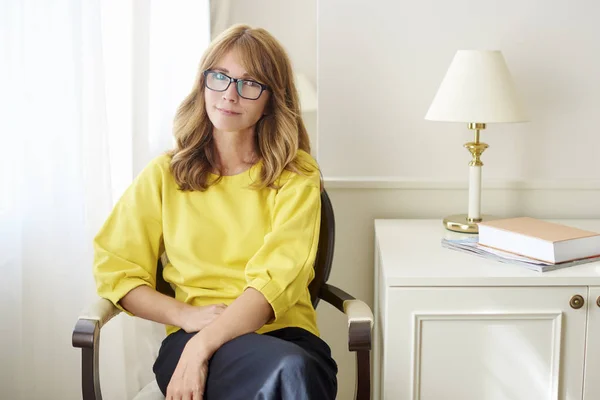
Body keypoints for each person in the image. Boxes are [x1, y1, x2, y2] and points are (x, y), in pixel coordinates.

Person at [92, 24, 337, 400]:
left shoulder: (296, 175)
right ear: (203, 82)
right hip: (190, 336)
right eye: (220, 77)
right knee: (291, 375)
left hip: (284, 337)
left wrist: (201, 346)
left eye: (250, 83)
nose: (230, 95)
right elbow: (117, 270)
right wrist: (187, 319)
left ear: (272, 98)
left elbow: (278, 279)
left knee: (292, 368)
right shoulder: (164, 175)